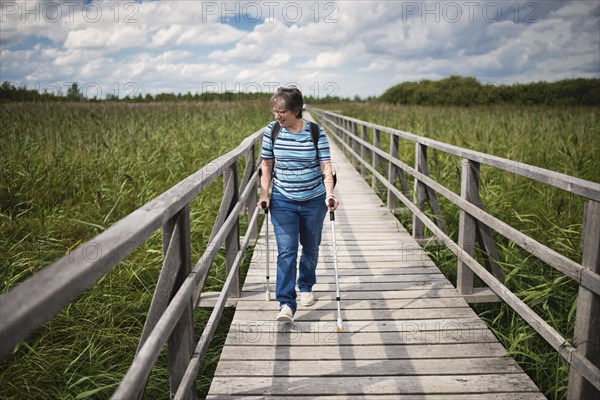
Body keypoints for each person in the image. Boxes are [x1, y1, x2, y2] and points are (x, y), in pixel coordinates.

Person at [258, 87, 339, 322]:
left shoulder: (315, 132)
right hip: (283, 200)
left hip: (314, 200)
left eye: (281, 112)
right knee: (286, 250)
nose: (277, 116)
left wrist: (330, 193)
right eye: (274, 111)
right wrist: (265, 194)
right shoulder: (272, 131)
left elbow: (326, 166)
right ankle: (286, 303)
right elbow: (266, 164)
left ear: (296, 110)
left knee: (311, 247)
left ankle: (305, 285)